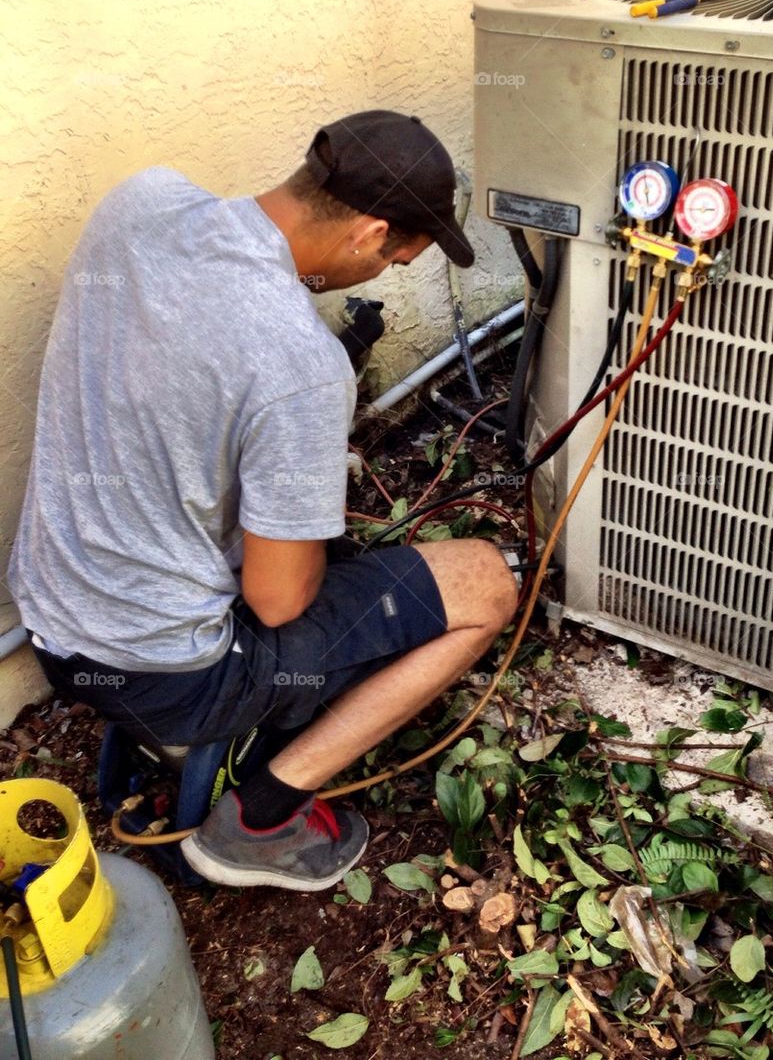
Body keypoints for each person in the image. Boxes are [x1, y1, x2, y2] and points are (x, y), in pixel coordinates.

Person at [7, 110, 519, 890]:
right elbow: (279, 601)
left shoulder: (139, 203)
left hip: (52, 619)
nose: (382, 275)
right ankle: (261, 815)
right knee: (486, 581)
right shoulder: (300, 363)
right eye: (396, 260)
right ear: (367, 233)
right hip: (170, 672)